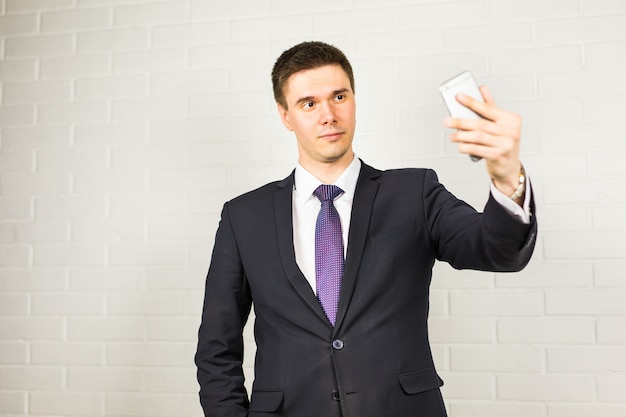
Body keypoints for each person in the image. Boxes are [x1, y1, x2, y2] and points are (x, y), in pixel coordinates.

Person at [195, 41, 537, 417]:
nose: (328, 115)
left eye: (338, 96)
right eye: (309, 103)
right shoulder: (243, 216)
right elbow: (216, 348)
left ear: (354, 100)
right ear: (285, 116)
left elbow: (496, 250)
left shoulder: (414, 193)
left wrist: (508, 179)